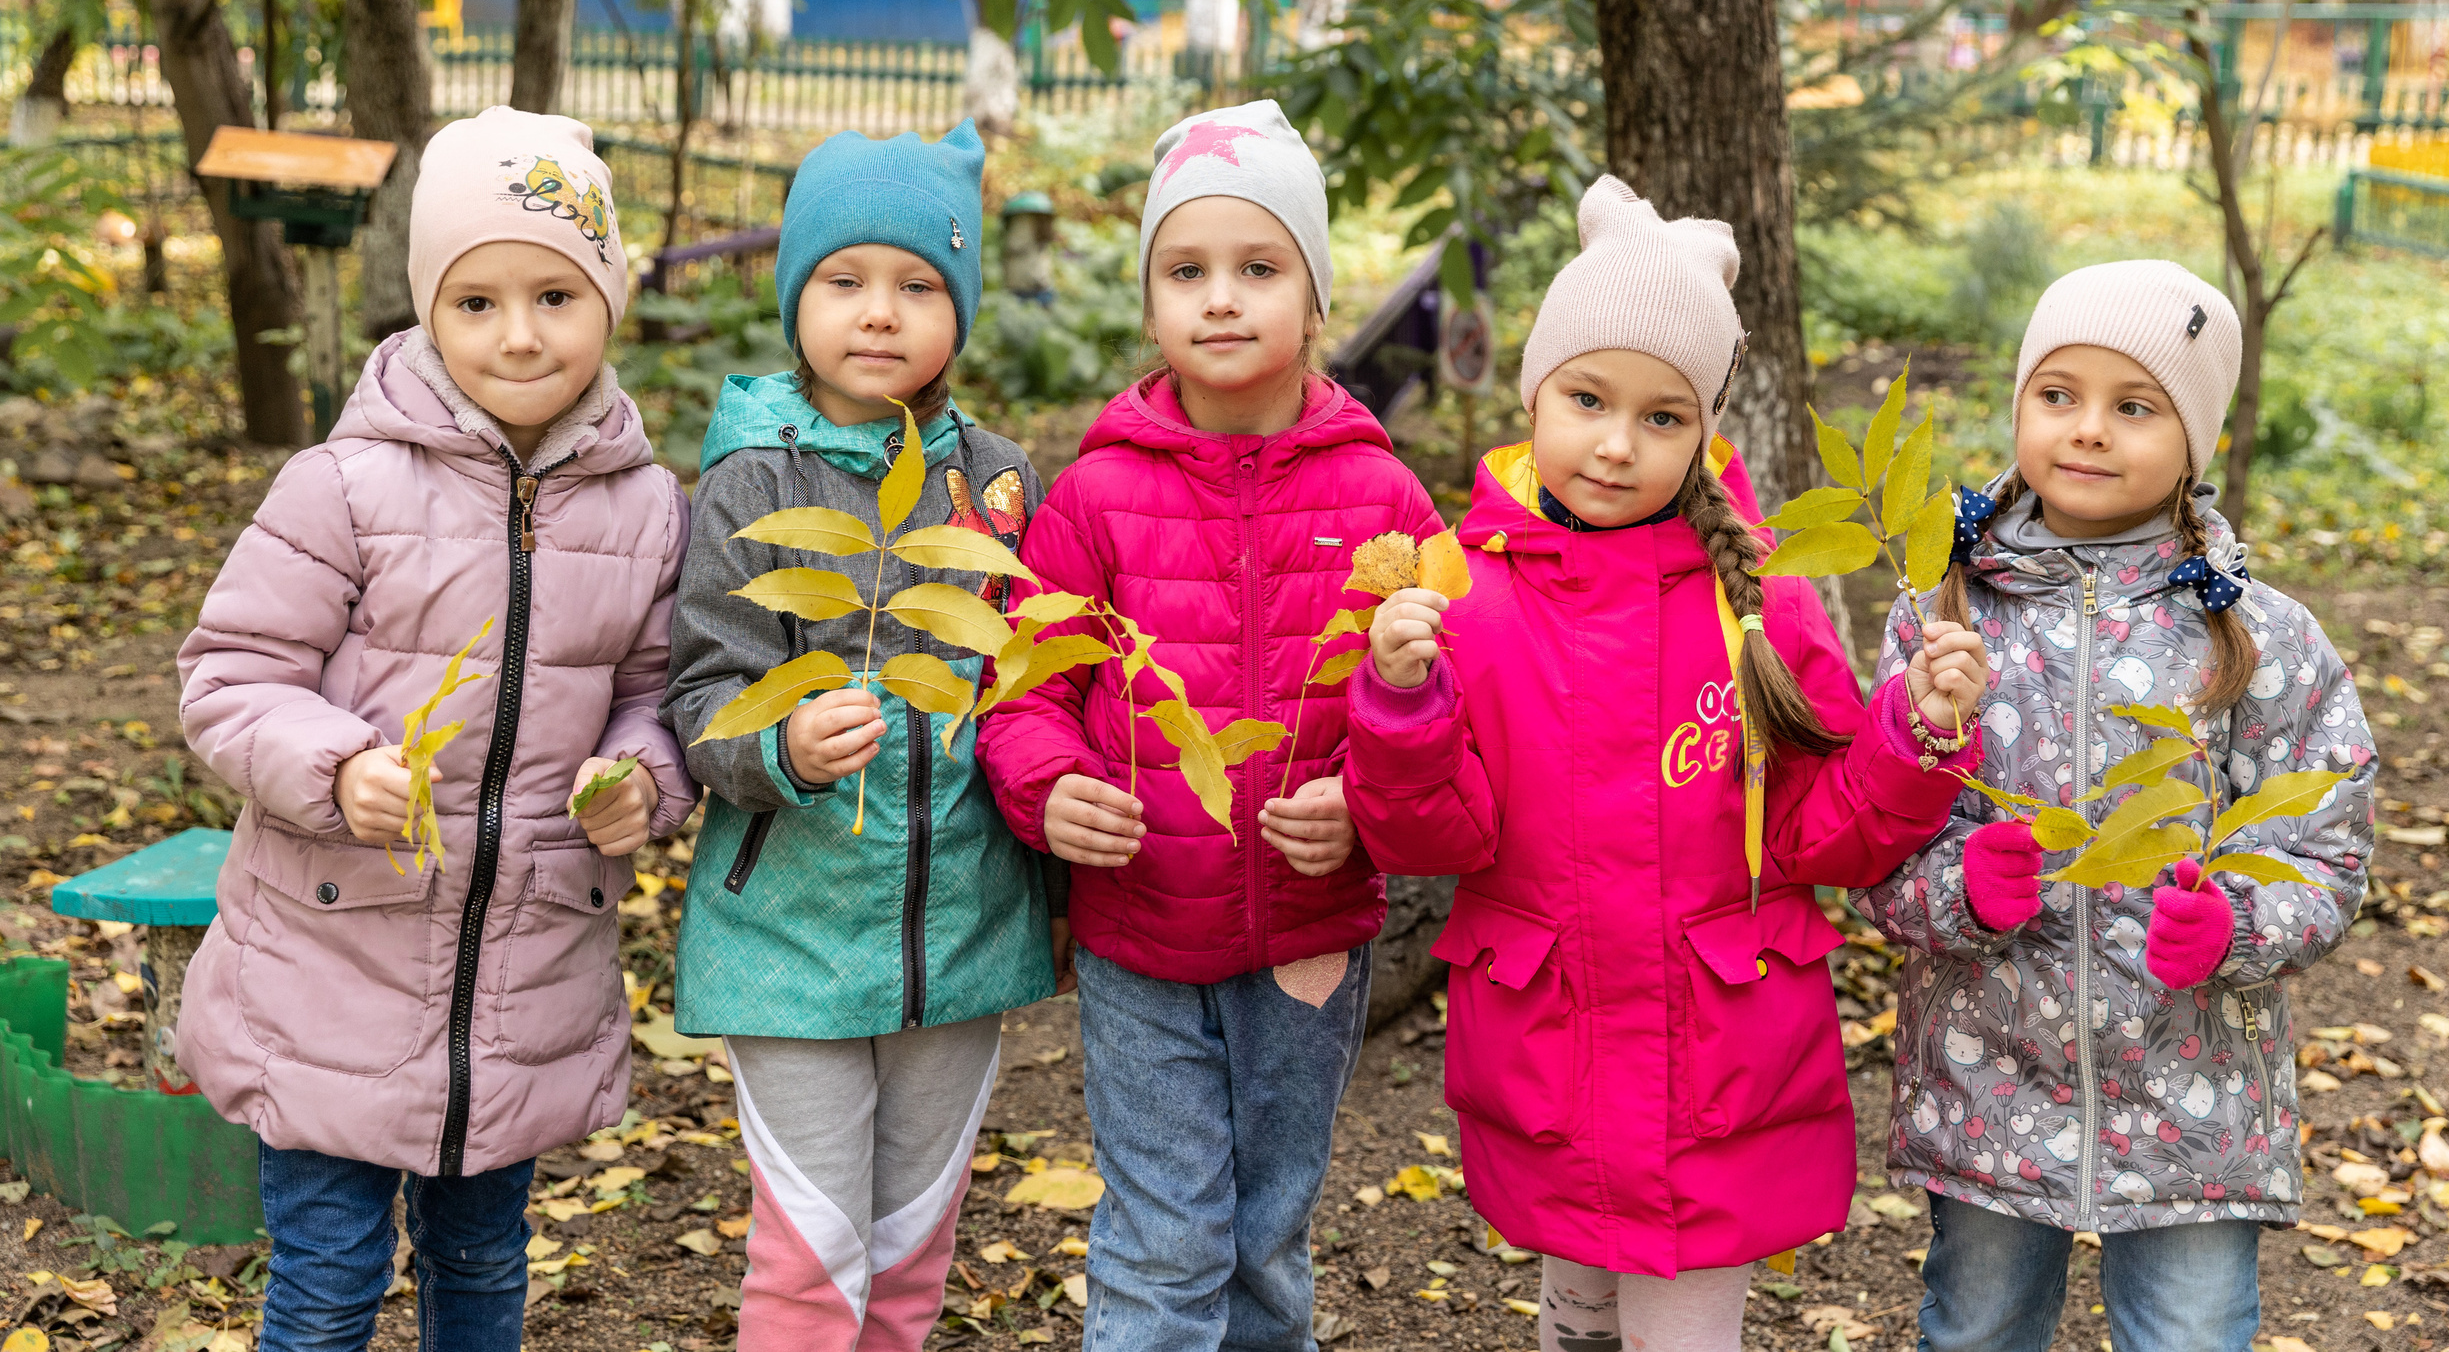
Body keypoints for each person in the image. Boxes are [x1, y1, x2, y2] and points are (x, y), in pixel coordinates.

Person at [1343, 176, 1990, 1352]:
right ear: (1534, 391)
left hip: (1718, 1064)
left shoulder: (1764, 606)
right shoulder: (1460, 595)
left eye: (1660, 417)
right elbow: (1430, 836)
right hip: (1554, 1051)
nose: (1614, 443)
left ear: (1703, 432)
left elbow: (1825, 834)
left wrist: (1918, 734)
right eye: (1587, 398)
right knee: (1579, 1306)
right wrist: (1398, 703)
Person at [176, 106, 693, 1352]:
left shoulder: (647, 508)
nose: (519, 334)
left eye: (556, 296)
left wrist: (644, 776)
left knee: (483, 1263)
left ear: (609, 301)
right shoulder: (343, 487)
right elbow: (229, 679)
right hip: (331, 970)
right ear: (426, 310)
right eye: (477, 301)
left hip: (520, 983)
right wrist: (337, 763)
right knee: (328, 1280)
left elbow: (655, 693)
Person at [978, 100, 1444, 1352]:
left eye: (1259, 268)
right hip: (1139, 929)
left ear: (1316, 297)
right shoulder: (1095, 497)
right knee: (1163, 1232)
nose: (1222, 299)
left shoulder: (1384, 499)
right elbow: (1025, 690)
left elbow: (1444, 706)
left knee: (1267, 1234)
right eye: (1185, 271)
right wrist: (1050, 787)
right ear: (1149, 304)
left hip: (1309, 940)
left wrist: (1365, 801)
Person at [1852, 259, 2378, 1352]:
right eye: (2058, 394)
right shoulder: (1943, 616)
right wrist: (1960, 889)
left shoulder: (2259, 636)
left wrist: (2238, 925)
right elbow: (1873, 834)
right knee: (1978, 1327)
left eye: (2134, 406)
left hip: (2195, 1092)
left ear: (2195, 442)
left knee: (2189, 1333)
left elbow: (2326, 844)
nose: (2088, 428)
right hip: (1991, 1086)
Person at [662, 119, 1060, 1352]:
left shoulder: (997, 484)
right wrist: (781, 748)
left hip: (962, 935)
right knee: (810, 1247)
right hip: (790, 936)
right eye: (844, 279)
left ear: (961, 311)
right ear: (795, 297)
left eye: (918, 285)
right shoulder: (753, 481)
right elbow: (702, 696)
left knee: (913, 1236)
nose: (879, 312)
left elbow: (1036, 681)